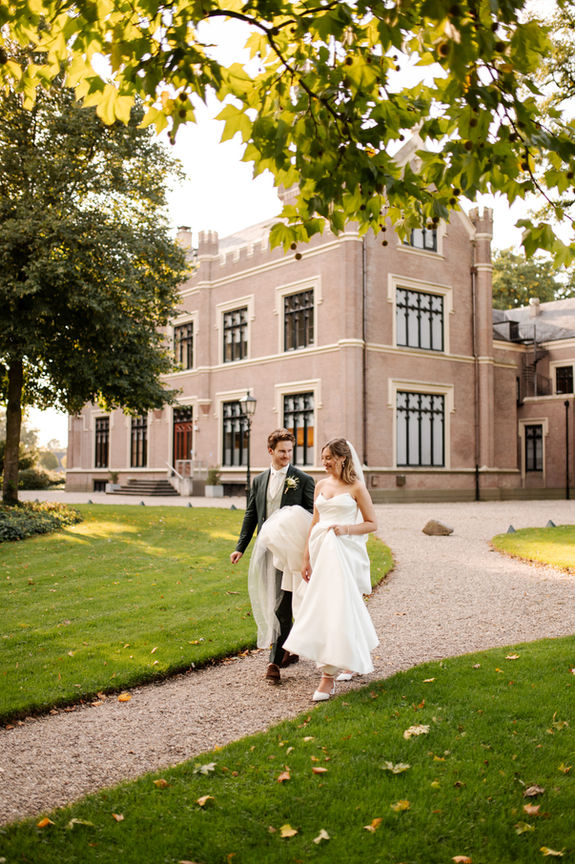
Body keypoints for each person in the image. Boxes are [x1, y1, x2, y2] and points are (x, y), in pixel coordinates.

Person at [283, 438, 379, 702]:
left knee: (339, 606)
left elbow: (372, 524)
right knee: (322, 606)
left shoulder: (357, 488)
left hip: (343, 552)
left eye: (328, 458)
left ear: (343, 459)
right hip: (320, 549)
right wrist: (306, 558)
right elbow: (315, 521)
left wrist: (344, 530)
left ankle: (328, 678)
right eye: (322, 457)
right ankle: (345, 657)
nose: (324, 462)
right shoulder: (321, 485)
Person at [230, 428, 315, 683]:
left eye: (290, 451)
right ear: (270, 451)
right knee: (271, 600)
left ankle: (273, 664)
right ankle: (288, 648)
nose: (286, 456)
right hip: (266, 549)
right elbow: (251, 514)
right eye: (282, 451)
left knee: (282, 604)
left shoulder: (303, 479)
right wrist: (240, 546)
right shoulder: (258, 481)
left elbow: (313, 516)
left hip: (290, 552)